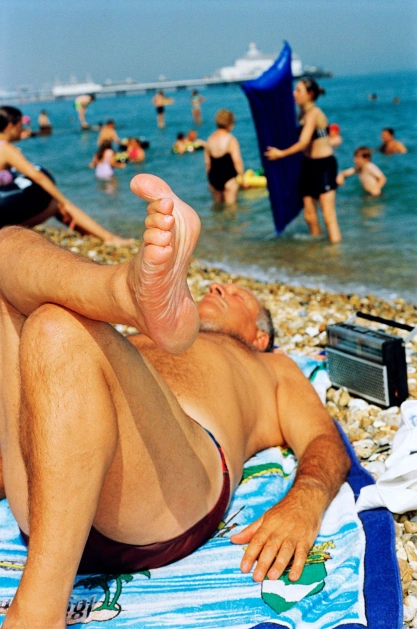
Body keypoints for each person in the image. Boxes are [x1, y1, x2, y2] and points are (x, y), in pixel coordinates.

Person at [0, 172, 350, 628]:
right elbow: (53, 408)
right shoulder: (139, 340)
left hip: (168, 491)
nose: (218, 288)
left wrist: (304, 502)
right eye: (217, 286)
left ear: (260, 335)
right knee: (6, 246)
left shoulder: (272, 365)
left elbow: (324, 440)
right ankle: (123, 291)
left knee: (57, 329)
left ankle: (38, 613)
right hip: (47, 500)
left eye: (237, 294)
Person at [0, 106, 132, 244]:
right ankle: (108, 238)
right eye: (20, 126)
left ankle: (95, 236)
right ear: (10, 126)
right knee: (57, 205)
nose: (22, 130)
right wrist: (64, 201)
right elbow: (37, 176)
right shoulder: (6, 149)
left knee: (57, 206)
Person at [264, 78, 342, 244]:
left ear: (310, 94)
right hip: (308, 166)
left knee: (328, 216)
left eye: (298, 90)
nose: (294, 94)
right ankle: (316, 250)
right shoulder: (301, 113)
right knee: (309, 216)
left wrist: (281, 154)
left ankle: (335, 254)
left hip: (324, 166)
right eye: (295, 90)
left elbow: (304, 142)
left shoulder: (314, 113)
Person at [205, 109, 245, 205]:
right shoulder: (231, 140)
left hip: (213, 178)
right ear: (230, 124)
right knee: (231, 208)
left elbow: (208, 164)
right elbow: (237, 161)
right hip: (229, 178)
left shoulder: (209, 140)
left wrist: (210, 181)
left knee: (217, 207)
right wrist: (243, 179)